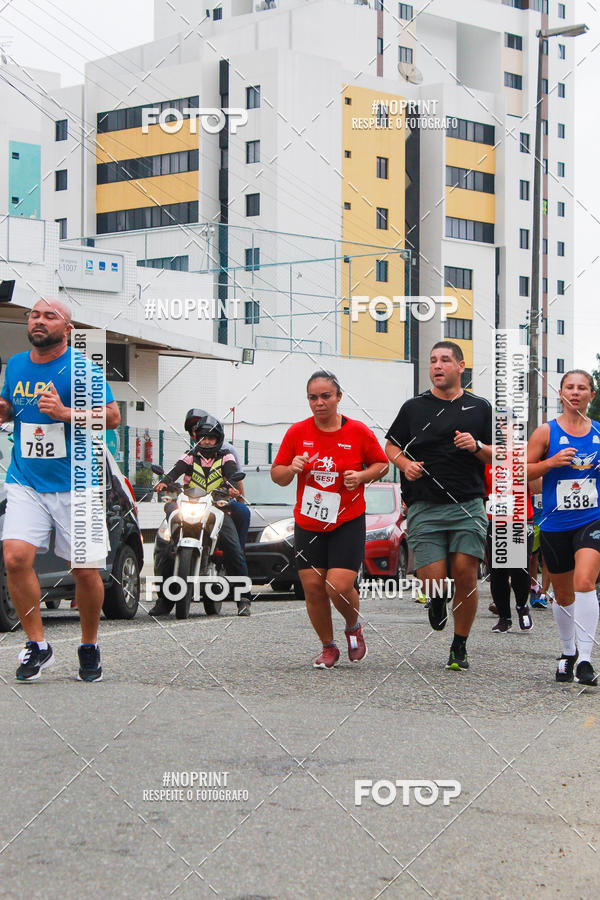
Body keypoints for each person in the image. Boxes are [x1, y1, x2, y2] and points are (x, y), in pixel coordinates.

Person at [0, 297, 120, 682]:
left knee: (85, 572)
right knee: (15, 558)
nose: (39, 320)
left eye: (49, 316)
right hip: (25, 479)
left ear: (67, 328)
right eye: (34, 314)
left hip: (76, 484)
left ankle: (89, 643)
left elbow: (114, 417)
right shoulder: (16, 364)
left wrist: (67, 413)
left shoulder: (82, 368)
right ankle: (38, 645)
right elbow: (9, 405)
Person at [385, 341, 492, 671]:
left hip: (467, 504)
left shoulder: (480, 408)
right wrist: (404, 465)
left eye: (445, 360)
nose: (437, 365)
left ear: (461, 367)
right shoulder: (413, 408)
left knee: (464, 574)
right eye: (433, 360)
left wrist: (475, 446)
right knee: (433, 578)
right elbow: (390, 445)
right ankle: (435, 598)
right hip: (425, 503)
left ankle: (459, 645)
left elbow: (500, 454)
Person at [270, 370, 388, 668]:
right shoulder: (297, 432)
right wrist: (293, 468)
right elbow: (278, 475)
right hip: (309, 522)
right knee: (312, 587)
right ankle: (328, 646)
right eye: (313, 397)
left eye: (325, 396)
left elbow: (381, 465)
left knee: (337, 585)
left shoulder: (358, 431)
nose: (319, 403)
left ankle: (352, 627)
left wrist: (361, 476)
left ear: (338, 397)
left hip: (347, 519)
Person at [527, 369, 600, 686]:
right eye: (569, 387)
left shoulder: (598, 431)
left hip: (592, 518)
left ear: (591, 395)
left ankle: (585, 658)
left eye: (582, 388)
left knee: (585, 580)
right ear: (560, 393)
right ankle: (568, 652)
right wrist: (550, 464)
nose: (575, 392)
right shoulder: (546, 432)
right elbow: (521, 472)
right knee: (563, 593)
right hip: (556, 522)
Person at [149, 412, 252, 617]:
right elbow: (174, 471)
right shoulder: (189, 455)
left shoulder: (226, 457)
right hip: (188, 504)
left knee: (233, 548)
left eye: (211, 438)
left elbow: (232, 475)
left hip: (217, 507)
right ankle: (164, 599)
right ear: (197, 438)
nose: (206, 442)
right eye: (203, 437)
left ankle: (244, 598)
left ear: (218, 439)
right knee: (165, 544)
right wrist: (164, 482)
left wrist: (231, 488)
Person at [483, 455, 541, 633]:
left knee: (519, 566)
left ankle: (522, 606)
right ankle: (504, 617)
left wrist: (528, 469)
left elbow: (538, 488)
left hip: (520, 519)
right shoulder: (485, 457)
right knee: (498, 571)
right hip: (495, 520)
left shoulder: (525, 454)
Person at [181, 408, 251, 549]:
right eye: (193, 430)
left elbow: (237, 480)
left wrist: (239, 499)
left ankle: (239, 552)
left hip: (220, 502)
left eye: (198, 427)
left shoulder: (227, 451)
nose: (196, 433)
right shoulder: (192, 452)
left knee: (242, 512)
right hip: (195, 503)